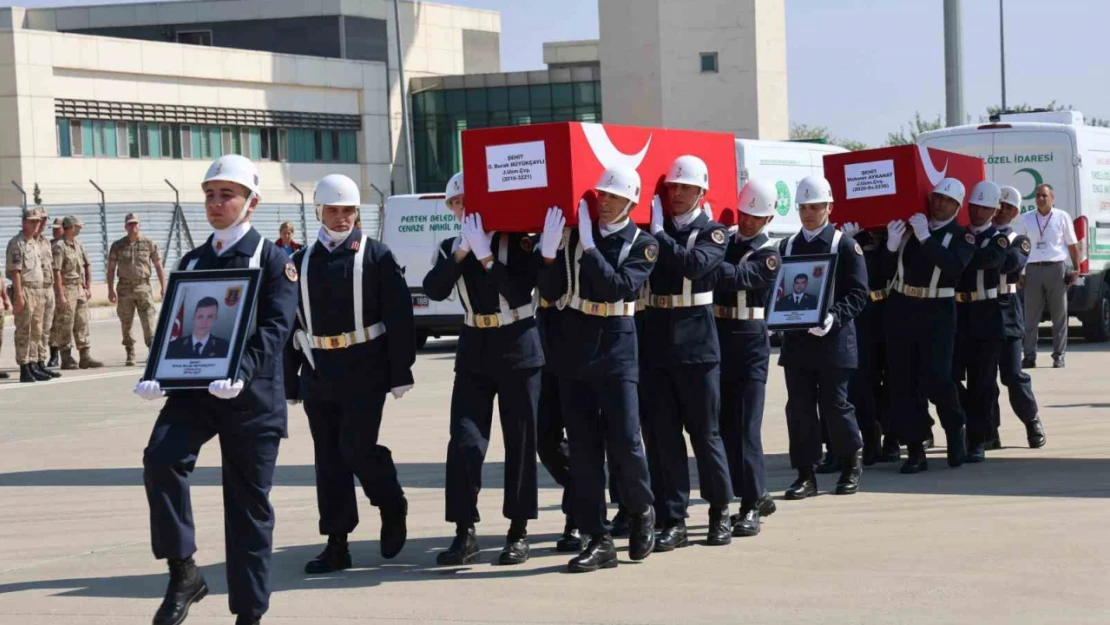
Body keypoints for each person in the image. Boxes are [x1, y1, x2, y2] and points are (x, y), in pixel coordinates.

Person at [134, 154, 298, 625]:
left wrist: (242, 371)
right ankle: (183, 570)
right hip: (194, 393)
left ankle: (249, 614)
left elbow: (275, 328)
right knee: (161, 458)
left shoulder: (273, 260)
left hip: (251, 399)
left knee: (246, 508)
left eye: (227, 194)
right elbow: (174, 325)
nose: (216, 202)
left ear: (251, 202)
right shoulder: (193, 260)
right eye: (209, 194)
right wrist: (156, 373)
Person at [285, 174, 414, 574]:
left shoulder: (375, 255)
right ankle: (336, 542)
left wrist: (400, 370)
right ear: (318, 211)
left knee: (356, 447)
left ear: (358, 212)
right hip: (319, 369)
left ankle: (391, 503)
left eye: (348, 211)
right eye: (333, 210)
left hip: (366, 366)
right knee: (328, 459)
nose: (341, 218)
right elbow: (289, 326)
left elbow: (400, 317)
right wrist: (290, 381)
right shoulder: (299, 261)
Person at [536, 166, 658, 572]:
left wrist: (588, 249)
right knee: (585, 449)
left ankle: (641, 511)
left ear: (631, 203)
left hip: (618, 345)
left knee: (625, 440)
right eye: (601, 196)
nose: (604, 202)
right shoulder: (574, 240)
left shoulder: (643, 243)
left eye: (613, 197)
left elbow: (616, 288)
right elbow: (552, 294)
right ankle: (596, 536)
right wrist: (550, 255)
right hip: (576, 345)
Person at [422, 171, 543, 567]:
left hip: (518, 344)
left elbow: (519, 291)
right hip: (475, 346)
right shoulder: (449, 246)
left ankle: (518, 531)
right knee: (464, 442)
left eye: (468, 202)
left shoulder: (518, 240)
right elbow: (435, 289)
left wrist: (487, 257)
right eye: (456, 204)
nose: (463, 210)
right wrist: (462, 253)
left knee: (520, 443)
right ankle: (463, 531)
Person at [640, 155, 734, 550]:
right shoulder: (648, 232)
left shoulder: (713, 233)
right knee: (663, 437)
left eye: (684, 188)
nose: (676, 193)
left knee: (705, 434)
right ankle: (672, 517)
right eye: (671, 187)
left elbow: (694, 267)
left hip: (696, 343)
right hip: (656, 340)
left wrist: (659, 235)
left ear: (701, 192)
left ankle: (719, 512)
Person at [776, 176, 867, 499]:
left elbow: (859, 293)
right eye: (803, 207)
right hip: (797, 343)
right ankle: (805, 474)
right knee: (799, 409)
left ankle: (850, 465)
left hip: (834, 341)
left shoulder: (843, 244)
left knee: (835, 406)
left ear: (829, 207)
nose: (808, 213)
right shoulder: (786, 246)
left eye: (815, 207)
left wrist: (833, 317)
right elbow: (780, 290)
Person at [883, 178, 975, 473]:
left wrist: (925, 238)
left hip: (938, 311)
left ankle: (954, 427)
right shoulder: (910, 230)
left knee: (937, 377)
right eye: (937, 198)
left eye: (947, 201)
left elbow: (953, 266)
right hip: (903, 308)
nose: (939, 204)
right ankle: (914, 448)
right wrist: (889, 247)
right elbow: (885, 273)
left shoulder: (962, 236)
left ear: (957, 207)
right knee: (903, 383)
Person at [711, 179, 781, 536]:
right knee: (724, 427)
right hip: (719, 336)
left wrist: (707, 257)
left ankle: (751, 504)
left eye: (755, 216)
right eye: (744, 214)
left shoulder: (769, 253)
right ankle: (752, 493)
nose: (748, 221)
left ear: (768, 216)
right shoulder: (726, 241)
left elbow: (739, 278)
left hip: (751, 341)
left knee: (747, 428)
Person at [952, 182, 1011, 463]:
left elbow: (987, 261)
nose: (978, 211)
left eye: (985, 207)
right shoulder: (960, 234)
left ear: (995, 210)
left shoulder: (998, 239)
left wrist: (961, 251)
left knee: (982, 383)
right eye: (974, 206)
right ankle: (971, 422)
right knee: (946, 378)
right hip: (957, 312)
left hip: (985, 313)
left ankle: (976, 439)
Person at [992, 186, 1047, 448]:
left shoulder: (1018, 239)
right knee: (983, 376)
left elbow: (1008, 263)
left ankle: (1031, 419)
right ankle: (989, 429)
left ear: (1014, 212)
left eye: (1006, 207)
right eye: (997, 205)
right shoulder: (976, 235)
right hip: (979, 308)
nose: (1000, 211)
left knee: (1013, 374)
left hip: (1006, 307)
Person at [840, 221, 898, 465]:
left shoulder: (898, 233)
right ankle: (870, 436)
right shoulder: (854, 237)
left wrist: (892, 247)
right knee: (863, 381)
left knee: (894, 380)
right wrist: (846, 243)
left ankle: (893, 439)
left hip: (893, 311)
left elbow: (889, 270)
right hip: (864, 314)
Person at [1014, 183, 1080, 369]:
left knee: (1059, 315)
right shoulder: (1026, 218)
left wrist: (1076, 268)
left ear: (1052, 198)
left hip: (1056, 269)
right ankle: (1029, 356)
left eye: (1044, 195)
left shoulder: (1062, 217)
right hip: (1033, 269)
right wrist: (1018, 272)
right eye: (1038, 195)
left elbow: (1072, 244)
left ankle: (1059, 355)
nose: (1041, 199)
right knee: (1030, 317)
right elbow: (1018, 246)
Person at [108, 213, 166, 366]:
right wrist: (110, 290)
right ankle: (130, 352)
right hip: (124, 288)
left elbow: (159, 266)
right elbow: (111, 269)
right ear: (125, 226)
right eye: (130, 224)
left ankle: (151, 352)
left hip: (143, 287)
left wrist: (163, 287)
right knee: (126, 322)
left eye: (135, 224)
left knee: (148, 321)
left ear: (139, 225)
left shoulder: (148, 244)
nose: (133, 226)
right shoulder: (117, 245)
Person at [51, 216, 103, 370]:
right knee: (65, 323)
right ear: (71, 227)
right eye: (78, 226)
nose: (80, 228)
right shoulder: (59, 247)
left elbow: (87, 265)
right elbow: (57, 272)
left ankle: (85, 356)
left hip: (78, 287)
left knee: (82, 321)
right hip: (66, 288)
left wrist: (87, 286)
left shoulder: (78, 245)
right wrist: (60, 294)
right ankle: (66, 358)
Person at [5, 207, 50, 383]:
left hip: (38, 289)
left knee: (37, 330)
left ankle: (32, 363)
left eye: (38, 221)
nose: (36, 224)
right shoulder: (17, 243)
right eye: (32, 221)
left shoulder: (35, 243)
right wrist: (19, 295)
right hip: (25, 289)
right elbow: (15, 271)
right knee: (24, 330)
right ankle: (24, 367)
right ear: (24, 222)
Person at [34, 211, 60, 378]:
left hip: (48, 289)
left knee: (46, 329)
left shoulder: (45, 242)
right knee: (34, 329)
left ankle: (41, 362)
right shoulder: (27, 242)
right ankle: (32, 363)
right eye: (40, 220)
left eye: (44, 220)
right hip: (35, 289)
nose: (43, 223)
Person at [165, 297, 231, 359]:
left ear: (215, 319)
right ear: (193, 317)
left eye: (210, 317)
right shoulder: (174, 347)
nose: (204, 322)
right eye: (200, 316)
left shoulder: (224, 347)